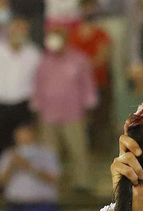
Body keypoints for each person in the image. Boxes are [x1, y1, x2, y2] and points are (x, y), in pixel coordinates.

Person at [33, 31, 98, 193]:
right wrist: (37, 109)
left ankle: (82, 185)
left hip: (73, 114)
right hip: (48, 116)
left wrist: (89, 107)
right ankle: (51, 186)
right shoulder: (44, 62)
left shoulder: (79, 59)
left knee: (78, 151)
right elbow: (38, 87)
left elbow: (87, 85)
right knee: (50, 153)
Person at [0, 19, 42, 180]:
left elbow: (37, 80)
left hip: (22, 104)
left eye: (22, 30)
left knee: (23, 143)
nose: (18, 34)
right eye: (15, 30)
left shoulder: (33, 53)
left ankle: (21, 182)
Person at [0, 122, 62, 211]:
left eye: (26, 133)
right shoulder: (9, 154)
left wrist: (30, 167)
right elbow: (0, 182)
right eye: (20, 133)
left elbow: (54, 178)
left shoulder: (46, 153)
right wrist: (11, 166)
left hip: (41, 205)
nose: (23, 136)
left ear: (33, 134)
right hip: (15, 205)